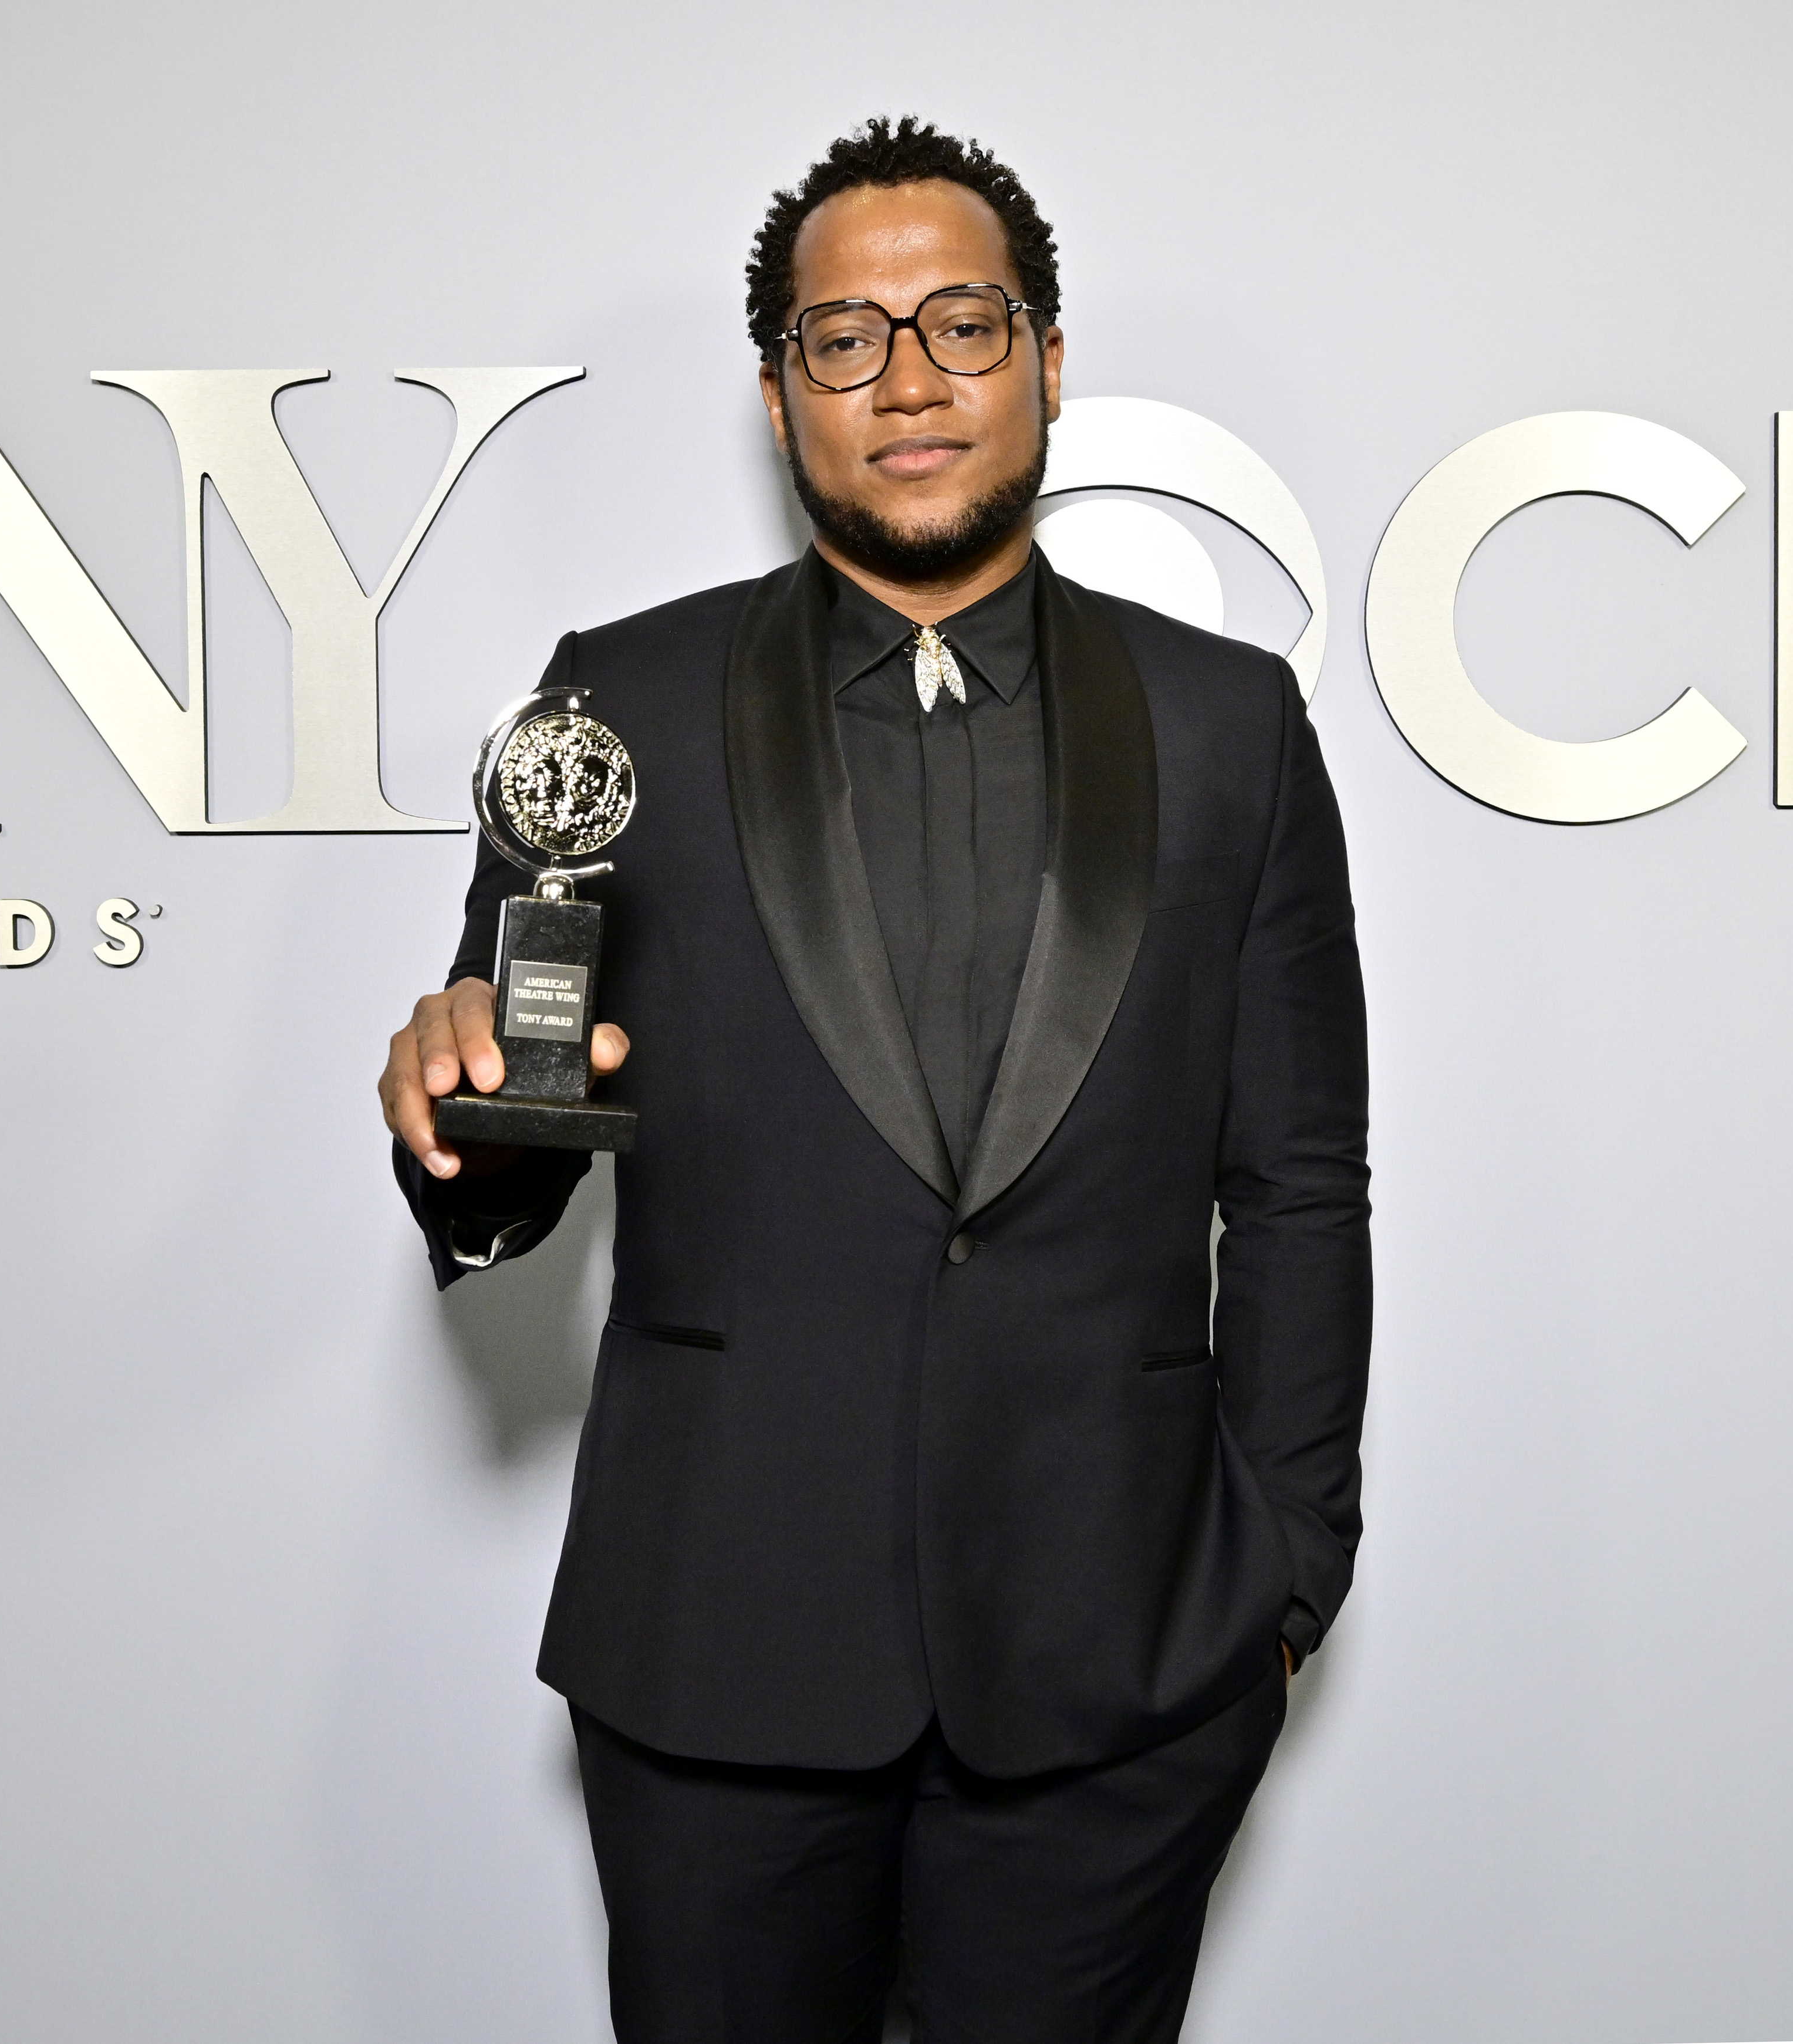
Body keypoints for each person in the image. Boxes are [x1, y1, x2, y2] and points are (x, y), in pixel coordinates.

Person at [379, 114, 1370, 2044]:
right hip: (717, 1654)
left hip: (1127, 1663)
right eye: (845, 338)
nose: (907, 379)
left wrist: (1287, 1574)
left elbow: (1305, 1181)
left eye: (962, 323)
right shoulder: (614, 705)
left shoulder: (1231, 724)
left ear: (1049, 360)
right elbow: (517, 1156)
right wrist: (454, 1124)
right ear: (778, 396)